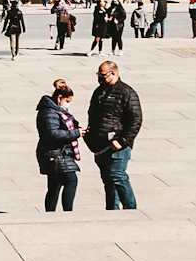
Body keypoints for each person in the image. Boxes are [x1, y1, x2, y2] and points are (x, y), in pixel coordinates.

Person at [85, 60, 142, 211]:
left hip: (117, 145)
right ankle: (112, 209)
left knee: (117, 175)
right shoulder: (99, 91)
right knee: (107, 179)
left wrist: (122, 141)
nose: (100, 78)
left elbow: (136, 120)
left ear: (113, 73)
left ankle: (130, 209)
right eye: (98, 75)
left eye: (102, 75)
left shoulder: (126, 92)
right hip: (100, 144)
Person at [35, 78, 80, 211]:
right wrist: (76, 133)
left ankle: (50, 213)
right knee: (71, 180)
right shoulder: (49, 112)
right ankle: (67, 212)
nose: (68, 105)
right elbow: (53, 134)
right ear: (60, 98)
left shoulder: (54, 110)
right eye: (67, 101)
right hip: (57, 153)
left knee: (55, 185)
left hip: (58, 152)